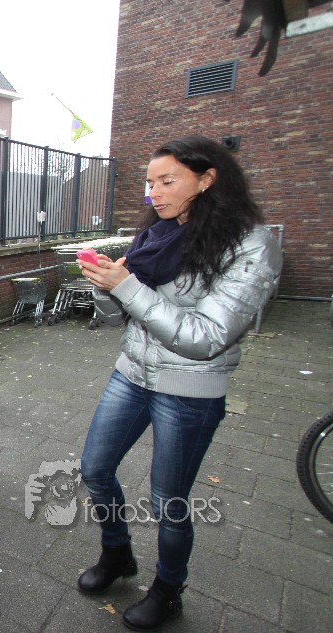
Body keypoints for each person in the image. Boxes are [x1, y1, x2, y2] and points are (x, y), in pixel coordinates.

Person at [75, 136, 282, 631]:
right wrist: (104, 285)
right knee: (95, 470)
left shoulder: (251, 245)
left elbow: (206, 337)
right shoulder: (155, 236)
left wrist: (127, 286)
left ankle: (169, 590)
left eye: (167, 181)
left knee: (168, 500)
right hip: (132, 373)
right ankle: (118, 554)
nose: (154, 193)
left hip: (190, 388)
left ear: (207, 179)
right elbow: (115, 317)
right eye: (150, 183)